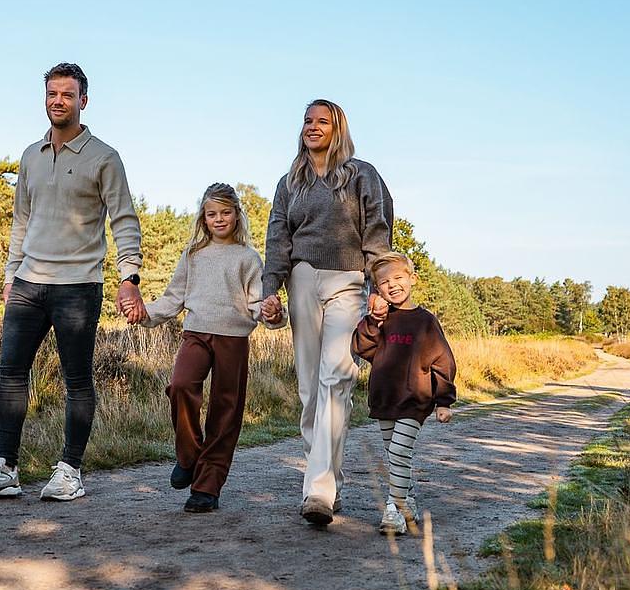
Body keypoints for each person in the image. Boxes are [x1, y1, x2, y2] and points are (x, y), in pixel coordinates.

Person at [0, 62, 145, 502]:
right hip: (28, 282)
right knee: (11, 374)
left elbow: (124, 220)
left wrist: (130, 276)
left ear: (83, 100)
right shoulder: (31, 155)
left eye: (67, 94)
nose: (58, 101)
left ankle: (70, 471)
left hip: (78, 286)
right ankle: (5, 468)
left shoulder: (104, 158)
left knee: (76, 379)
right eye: (52, 94)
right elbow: (20, 221)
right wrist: (10, 276)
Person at [259, 99, 394, 527]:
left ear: (338, 130)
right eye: (307, 121)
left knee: (337, 378)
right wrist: (269, 290)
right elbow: (277, 240)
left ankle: (317, 490)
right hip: (302, 280)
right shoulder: (290, 183)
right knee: (309, 391)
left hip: (348, 281)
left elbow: (377, 234)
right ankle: (329, 480)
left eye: (322, 121)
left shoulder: (362, 175)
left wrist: (380, 287)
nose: (312, 127)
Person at [134, 183, 285, 513]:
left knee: (225, 410)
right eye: (212, 213)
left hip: (233, 339)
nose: (219, 219)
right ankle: (189, 456)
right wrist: (144, 313)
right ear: (203, 218)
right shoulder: (193, 255)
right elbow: (173, 298)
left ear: (237, 215)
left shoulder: (248, 257)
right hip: (196, 334)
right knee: (180, 385)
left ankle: (207, 486)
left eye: (226, 212)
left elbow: (258, 305)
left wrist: (273, 314)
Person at [350, 251, 456, 535]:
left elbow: (443, 361)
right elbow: (361, 348)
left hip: (414, 400)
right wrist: (373, 322)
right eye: (384, 282)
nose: (392, 285)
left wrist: (444, 401)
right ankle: (408, 502)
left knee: (398, 451)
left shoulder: (425, 321)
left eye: (398, 278)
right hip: (384, 398)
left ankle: (394, 509)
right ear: (377, 288)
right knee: (395, 455)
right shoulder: (378, 319)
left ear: (413, 278)